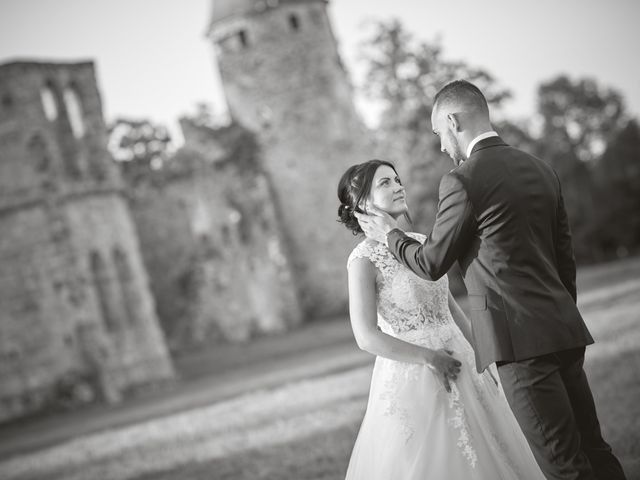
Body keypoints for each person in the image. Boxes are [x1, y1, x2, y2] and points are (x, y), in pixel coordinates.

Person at [355, 80, 626, 480]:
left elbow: (432, 262)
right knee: (595, 450)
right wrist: (558, 314)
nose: (443, 146)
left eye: (438, 134)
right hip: (564, 330)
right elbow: (564, 259)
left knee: (563, 464)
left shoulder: (463, 179)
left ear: (452, 120)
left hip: (517, 343)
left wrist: (389, 236)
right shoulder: (541, 169)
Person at [338, 159, 545, 479]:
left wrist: (483, 357)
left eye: (396, 179)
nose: (398, 186)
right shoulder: (363, 260)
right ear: (363, 204)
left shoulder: (421, 242)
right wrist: (431, 358)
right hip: (416, 375)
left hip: (461, 362)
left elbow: (450, 307)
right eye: (385, 183)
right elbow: (366, 336)